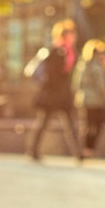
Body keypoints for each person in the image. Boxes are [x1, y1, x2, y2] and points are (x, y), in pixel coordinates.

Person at [26, 19, 83, 163]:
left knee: (70, 124)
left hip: (62, 95)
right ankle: (33, 151)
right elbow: (53, 74)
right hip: (52, 95)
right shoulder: (56, 51)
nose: (73, 37)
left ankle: (78, 153)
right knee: (44, 123)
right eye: (71, 34)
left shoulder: (70, 52)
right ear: (65, 35)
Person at [72, 39, 105, 158]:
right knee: (97, 124)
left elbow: (75, 84)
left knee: (87, 124)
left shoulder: (81, 64)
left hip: (83, 99)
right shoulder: (96, 66)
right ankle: (89, 149)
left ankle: (85, 149)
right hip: (96, 100)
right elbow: (102, 85)